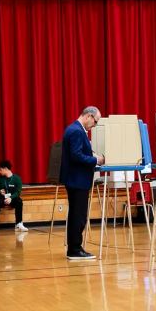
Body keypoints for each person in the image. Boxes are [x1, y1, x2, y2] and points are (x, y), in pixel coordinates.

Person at [60, 106, 105, 260]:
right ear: (88, 116)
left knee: (76, 215)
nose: (94, 125)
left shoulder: (74, 129)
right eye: (95, 122)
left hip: (76, 179)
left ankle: (75, 248)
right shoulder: (77, 131)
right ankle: (75, 249)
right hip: (77, 180)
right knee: (78, 216)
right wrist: (95, 160)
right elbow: (76, 156)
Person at [0, 160, 28, 233]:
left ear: (6, 169)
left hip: (12, 198)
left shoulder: (17, 178)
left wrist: (11, 198)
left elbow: (18, 192)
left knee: (19, 201)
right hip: (2, 198)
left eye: (0, 170)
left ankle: (19, 223)